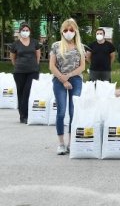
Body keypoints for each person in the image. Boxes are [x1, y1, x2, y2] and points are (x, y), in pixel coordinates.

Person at [49, 19, 85, 155]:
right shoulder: (56, 46)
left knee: (73, 112)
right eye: (65, 30)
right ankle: (61, 144)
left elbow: (82, 66)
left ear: (75, 31)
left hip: (75, 79)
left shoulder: (80, 46)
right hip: (59, 79)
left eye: (71, 30)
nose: (68, 33)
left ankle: (71, 143)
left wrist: (69, 76)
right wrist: (63, 79)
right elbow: (52, 66)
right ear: (62, 31)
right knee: (61, 112)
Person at [9, 22, 41, 124]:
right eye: (23, 30)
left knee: (27, 92)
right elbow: (12, 58)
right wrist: (18, 65)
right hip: (19, 72)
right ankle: (22, 115)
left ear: (30, 31)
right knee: (21, 92)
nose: (25, 32)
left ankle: (27, 114)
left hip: (33, 71)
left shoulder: (35, 42)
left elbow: (38, 56)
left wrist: (35, 65)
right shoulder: (15, 44)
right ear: (20, 31)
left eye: (27, 30)